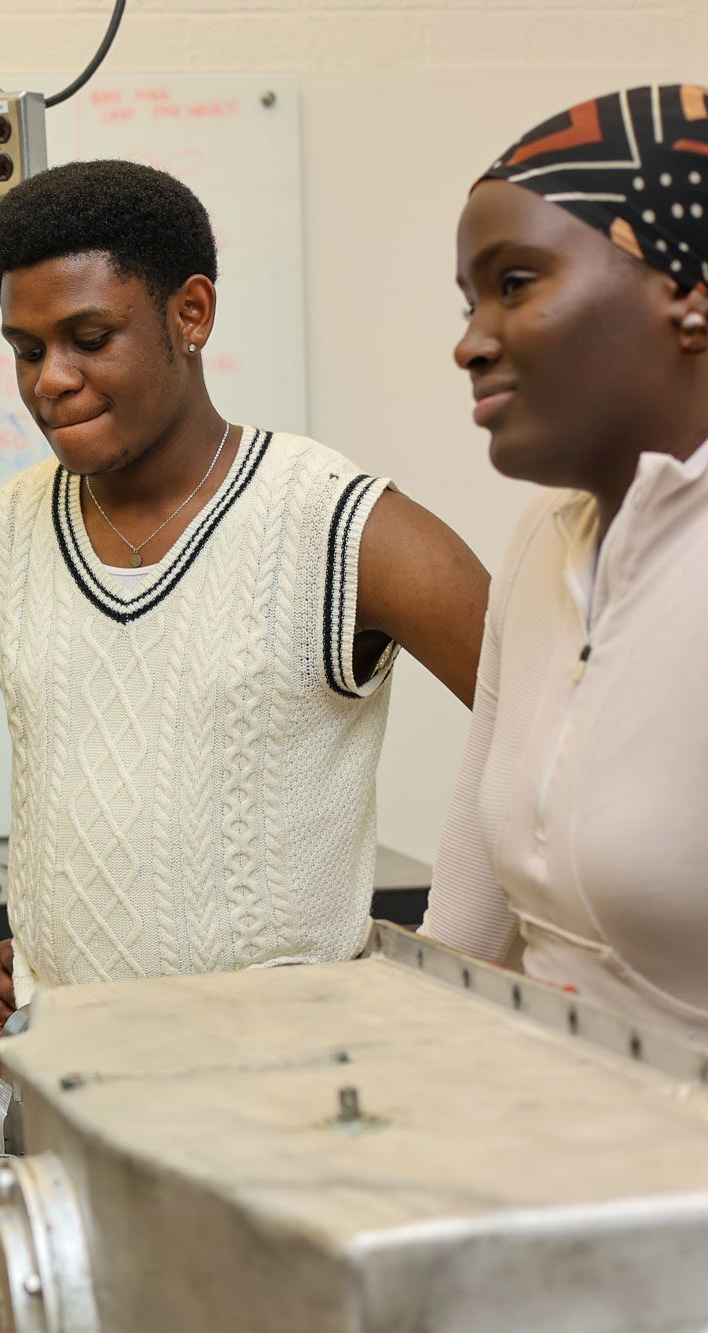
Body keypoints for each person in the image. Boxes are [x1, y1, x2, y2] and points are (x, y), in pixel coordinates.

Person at [0, 161, 491, 1037]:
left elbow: (550, 748)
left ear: (190, 313)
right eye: (28, 349)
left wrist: (468, 953)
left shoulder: (344, 528)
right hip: (71, 1080)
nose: (51, 380)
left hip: (296, 1091)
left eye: (89, 336)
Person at [422, 84, 708, 1043]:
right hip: (564, 1161)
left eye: (514, 283)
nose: (470, 342)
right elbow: (466, 939)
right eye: (468, 301)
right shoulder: (546, 543)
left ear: (688, 294)